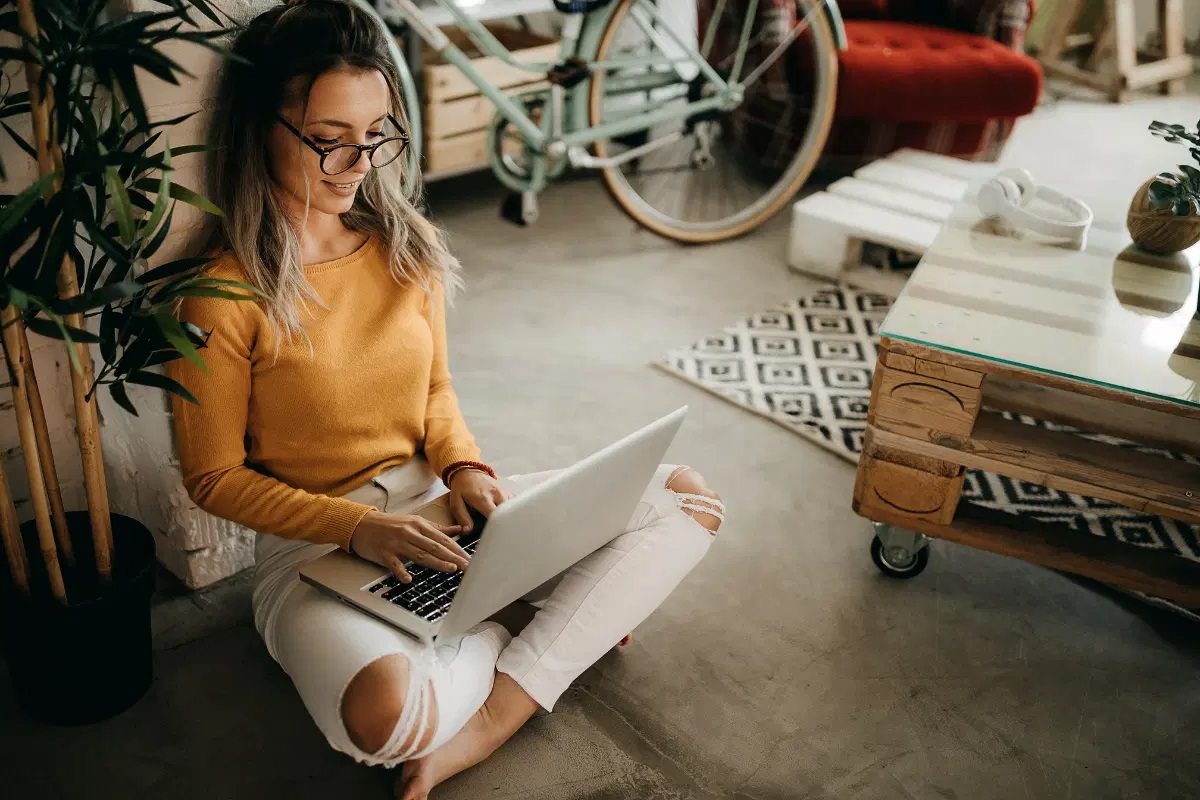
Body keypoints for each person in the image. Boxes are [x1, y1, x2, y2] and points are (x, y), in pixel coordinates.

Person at [168, 2, 725, 798]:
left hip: (441, 517)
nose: (358, 163)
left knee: (687, 504)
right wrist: (358, 528)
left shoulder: (405, 248)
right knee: (386, 722)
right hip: (315, 553)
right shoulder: (220, 297)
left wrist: (463, 466)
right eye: (329, 140)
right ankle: (533, 627)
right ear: (260, 128)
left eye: (377, 134)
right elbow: (213, 479)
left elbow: (433, 391)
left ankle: (497, 711)